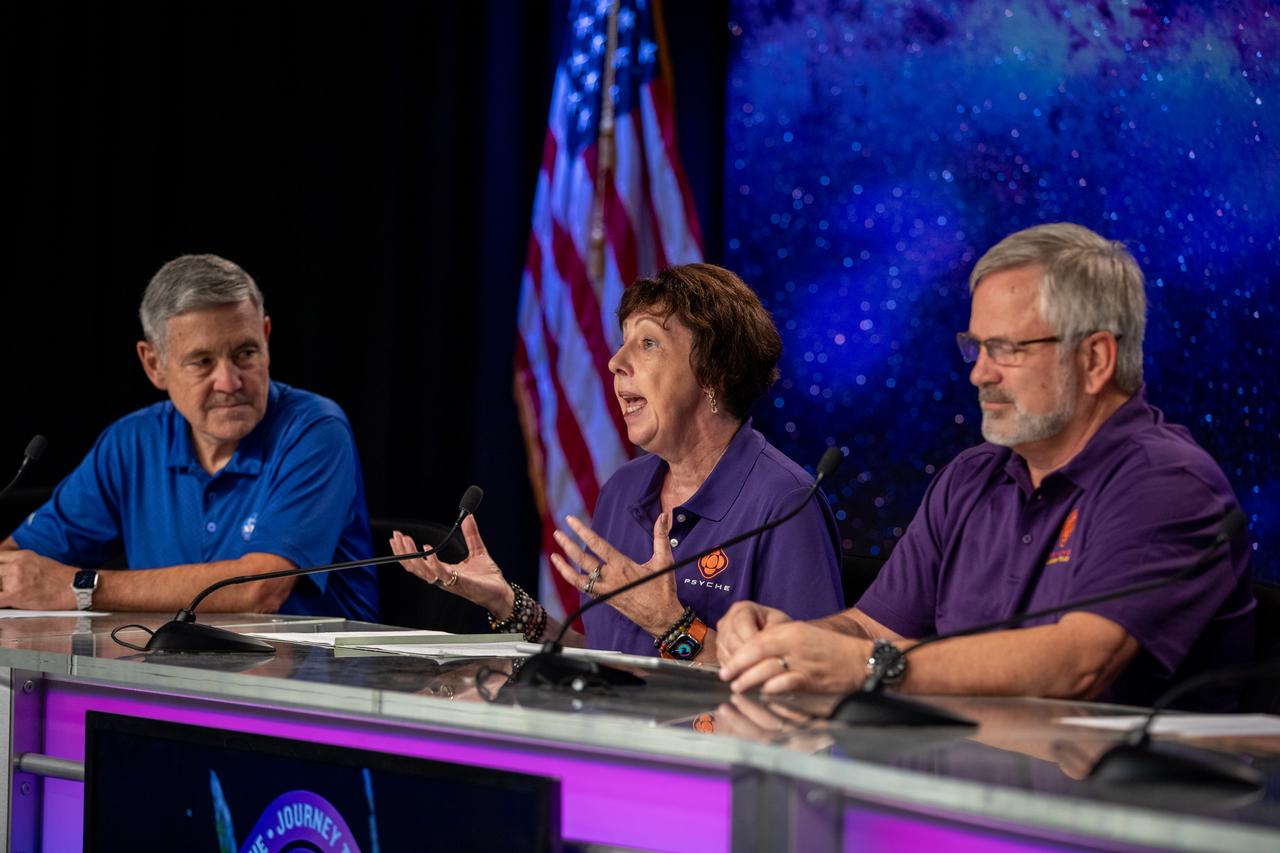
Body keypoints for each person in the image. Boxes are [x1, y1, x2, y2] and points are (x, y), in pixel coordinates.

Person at [718, 223, 1254, 710]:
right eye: (976, 347)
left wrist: (866, 668)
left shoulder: (1165, 483)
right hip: (965, 791)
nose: (979, 375)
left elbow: (1077, 665)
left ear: (1095, 360)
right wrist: (788, 640)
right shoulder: (971, 477)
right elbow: (867, 628)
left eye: (1005, 349)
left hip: (1128, 809)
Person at [392, 263, 843, 660]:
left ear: (714, 372)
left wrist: (673, 626)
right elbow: (611, 663)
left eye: (647, 343)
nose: (614, 362)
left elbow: (807, 683)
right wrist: (508, 606)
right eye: (623, 342)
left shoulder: (786, 504)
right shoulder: (625, 489)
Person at [0, 254, 378, 621]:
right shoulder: (131, 442)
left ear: (266, 337)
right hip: (168, 675)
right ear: (154, 364)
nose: (230, 382)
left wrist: (80, 587)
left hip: (312, 680)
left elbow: (260, 589)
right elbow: (16, 567)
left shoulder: (314, 430)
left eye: (245, 353)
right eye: (202, 362)